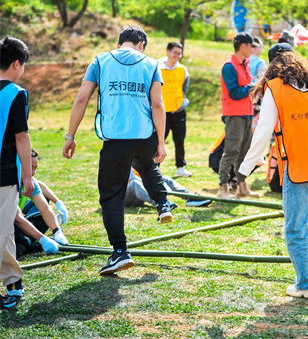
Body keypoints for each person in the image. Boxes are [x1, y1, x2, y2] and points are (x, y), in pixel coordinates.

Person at [239, 49, 308, 299]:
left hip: (300, 165)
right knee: (298, 209)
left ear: (272, 66)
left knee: (293, 226)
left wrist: (244, 169)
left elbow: (264, 130)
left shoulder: (275, 88)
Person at [63, 25, 174, 276]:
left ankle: (120, 252)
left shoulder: (100, 61)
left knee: (111, 196)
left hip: (115, 139)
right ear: (142, 44)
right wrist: (161, 142)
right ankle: (163, 203)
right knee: (147, 165)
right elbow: (158, 104)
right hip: (144, 135)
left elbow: (82, 99)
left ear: (119, 42)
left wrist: (71, 136)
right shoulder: (151, 63)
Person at [0, 36, 34, 310]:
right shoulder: (16, 94)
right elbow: (21, 138)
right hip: (4, 175)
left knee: (5, 229)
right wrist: (28, 177)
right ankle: (12, 284)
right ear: (16, 64)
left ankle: (13, 283)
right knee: (1, 231)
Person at [218, 32, 261, 199]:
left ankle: (242, 187)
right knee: (231, 151)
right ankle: (223, 188)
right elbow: (234, 92)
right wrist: (252, 87)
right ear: (244, 46)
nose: (253, 49)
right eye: (251, 46)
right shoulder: (229, 66)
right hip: (234, 114)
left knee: (244, 151)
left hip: (247, 114)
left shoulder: (246, 64)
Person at [15, 149, 69, 247]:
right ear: (19, 164)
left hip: (17, 219)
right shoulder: (7, 183)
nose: (34, 172)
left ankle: (25, 242)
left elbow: (45, 209)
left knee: (43, 216)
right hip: (9, 222)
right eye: (31, 167)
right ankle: (27, 244)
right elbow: (17, 217)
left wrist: (57, 231)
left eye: (35, 168)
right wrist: (42, 239)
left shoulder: (28, 180)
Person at [158, 42, 191, 178]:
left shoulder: (183, 70)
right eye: (175, 52)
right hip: (161, 113)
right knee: (158, 141)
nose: (177, 56)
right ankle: (155, 167)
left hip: (178, 112)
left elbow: (185, 87)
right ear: (167, 52)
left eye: (179, 53)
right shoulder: (157, 68)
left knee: (179, 139)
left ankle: (180, 167)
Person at [125, 168, 212, 208]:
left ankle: (191, 198)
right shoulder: (121, 155)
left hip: (140, 193)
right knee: (134, 183)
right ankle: (161, 203)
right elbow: (131, 179)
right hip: (124, 196)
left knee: (164, 178)